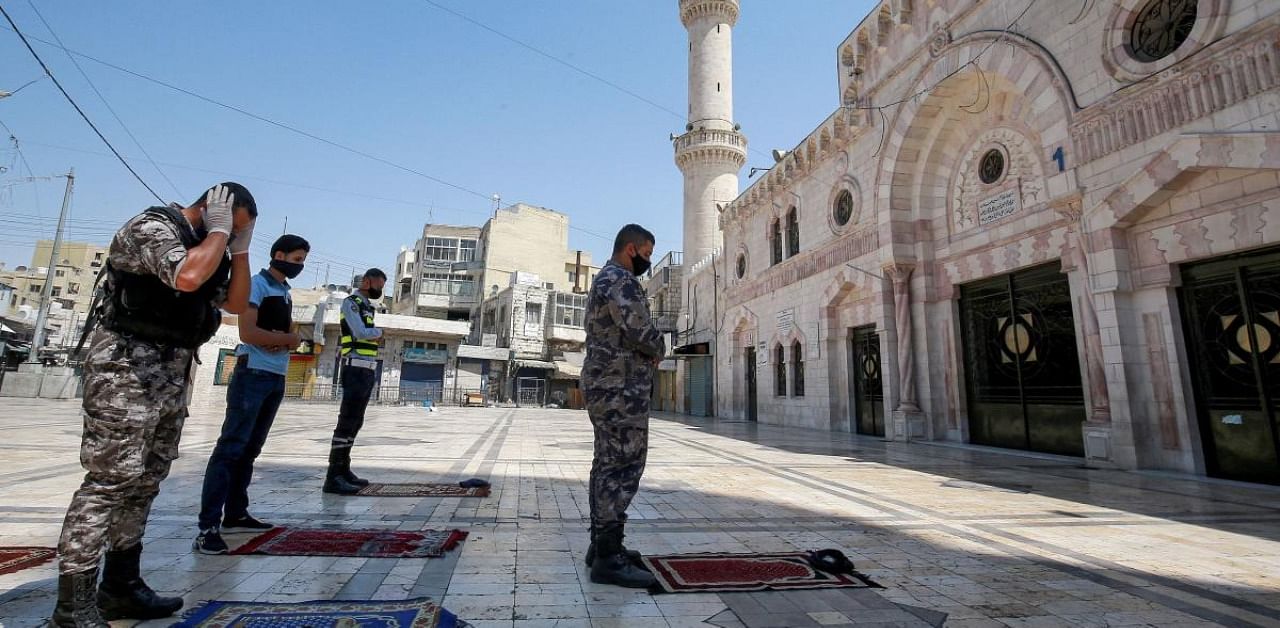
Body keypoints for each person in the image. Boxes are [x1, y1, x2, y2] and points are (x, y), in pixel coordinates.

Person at [52, 183, 257, 627]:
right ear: (211, 209)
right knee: (108, 483)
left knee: (145, 481)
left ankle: (121, 587)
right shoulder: (151, 228)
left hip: (170, 374)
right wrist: (220, 233)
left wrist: (238, 250)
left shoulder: (212, 247)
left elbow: (237, 304)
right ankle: (72, 607)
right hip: (123, 372)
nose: (230, 235)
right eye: (230, 224)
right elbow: (186, 277)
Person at [193, 234, 309, 554]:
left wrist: (283, 339)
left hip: (276, 375)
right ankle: (208, 526)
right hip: (254, 372)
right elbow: (249, 332)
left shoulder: (284, 292)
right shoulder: (257, 285)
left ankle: (236, 513)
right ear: (278, 254)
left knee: (250, 449)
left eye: (302, 262)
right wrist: (284, 339)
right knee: (230, 448)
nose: (299, 266)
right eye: (296, 259)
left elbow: (289, 337)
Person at [581, 224, 665, 588]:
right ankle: (607, 557)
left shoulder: (606, 278)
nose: (647, 260)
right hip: (618, 387)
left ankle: (602, 545)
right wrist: (659, 347)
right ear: (631, 249)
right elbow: (640, 331)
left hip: (611, 383)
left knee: (607, 463)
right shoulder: (620, 280)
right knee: (624, 464)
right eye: (646, 253)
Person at [323, 268, 387, 494]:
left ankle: (344, 469)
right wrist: (378, 332)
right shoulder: (352, 303)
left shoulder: (368, 306)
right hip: (355, 368)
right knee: (347, 421)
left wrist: (375, 333)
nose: (380, 290)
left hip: (366, 368)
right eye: (378, 285)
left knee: (356, 421)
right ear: (367, 281)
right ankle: (334, 476)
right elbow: (360, 332)